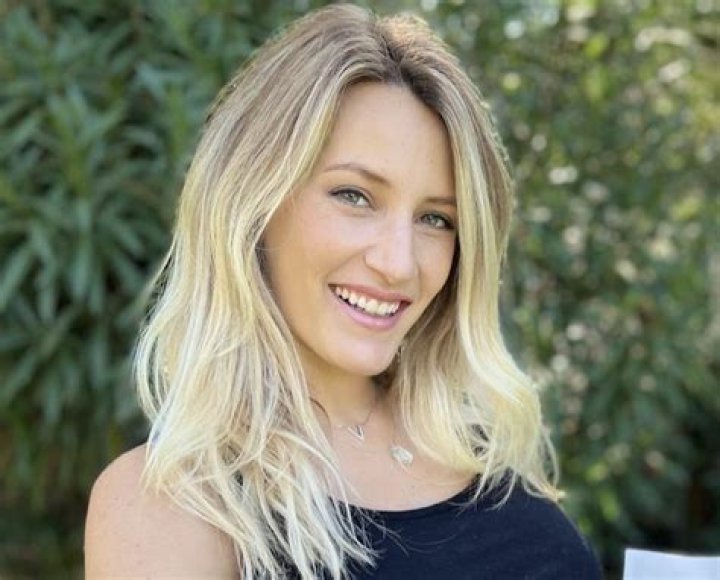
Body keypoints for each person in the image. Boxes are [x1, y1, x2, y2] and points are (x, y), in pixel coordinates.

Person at [84, 4, 602, 579]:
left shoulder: (489, 468)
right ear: (254, 204)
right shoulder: (169, 504)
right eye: (354, 196)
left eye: (436, 219)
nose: (398, 263)